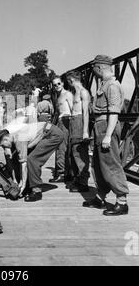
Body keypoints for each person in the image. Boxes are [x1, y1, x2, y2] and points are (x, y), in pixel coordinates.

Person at [83, 55, 129, 216]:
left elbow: (114, 112)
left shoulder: (113, 86)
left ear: (99, 67)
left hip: (106, 126)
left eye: (94, 68)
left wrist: (108, 135)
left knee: (110, 163)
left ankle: (122, 202)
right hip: (99, 126)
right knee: (98, 164)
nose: (93, 72)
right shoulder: (104, 84)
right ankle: (100, 197)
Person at [0, 121, 64, 202]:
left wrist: (23, 184)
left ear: (6, 139)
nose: (4, 148)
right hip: (43, 133)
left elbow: (24, 164)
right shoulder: (12, 137)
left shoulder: (19, 139)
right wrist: (15, 180)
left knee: (32, 160)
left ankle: (36, 191)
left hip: (52, 134)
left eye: (3, 145)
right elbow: (12, 160)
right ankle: (28, 186)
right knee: (16, 157)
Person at [66, 70, 91, 192]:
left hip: (79, 122)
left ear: (71, 80)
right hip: (73, 121)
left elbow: (86, 113)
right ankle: (78, 179)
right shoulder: (75, 92)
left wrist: (85, 131)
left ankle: (83, 182)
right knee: (73, 151)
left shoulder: (83, 92)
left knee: (79, 151)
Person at [49, 76, 73, 183]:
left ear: (62, 83)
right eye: (54, 85)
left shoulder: (67, 94)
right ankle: (63, 171)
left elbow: (73, 109)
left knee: (62, 147)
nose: (57, 86)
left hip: (66, 120)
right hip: (60, 121)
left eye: (58, 84)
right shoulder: (57, 96)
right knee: (60, 147)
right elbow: (56, 112)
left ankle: (62, 172)